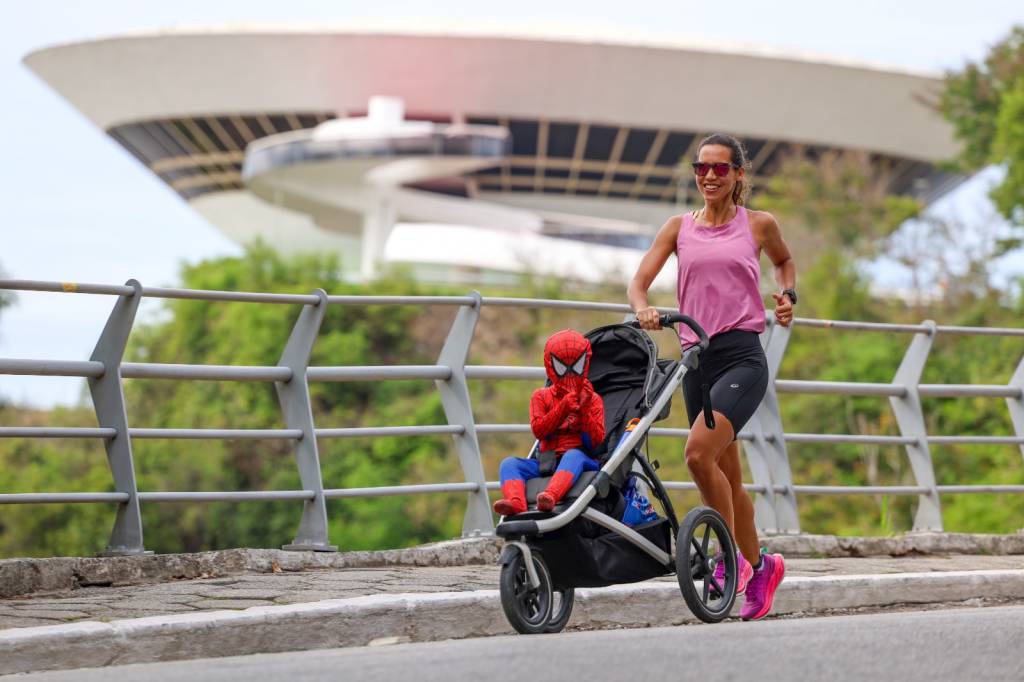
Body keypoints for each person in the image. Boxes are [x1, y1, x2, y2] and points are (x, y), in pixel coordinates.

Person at [627, 133, 795, 621]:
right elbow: (639, 283)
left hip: (742, 357)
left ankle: (728, 557)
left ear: (739, 174)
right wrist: (643, 309)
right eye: (701, 168)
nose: (709, 176)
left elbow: (784, 262)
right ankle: (761, 567)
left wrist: (788, 296)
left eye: (720, 168)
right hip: (695, 360)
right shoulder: (678, 228)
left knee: (698, 455)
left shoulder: (759, 224)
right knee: (728, 480)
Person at [493, 329, 606, 515]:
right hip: (547, 461)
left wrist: (584, 410)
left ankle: (550, 496)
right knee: (509, 464)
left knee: (573, 456)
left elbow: (595, 442)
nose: (569, 374)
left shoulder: (593, 399)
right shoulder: (540, 396)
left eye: (576, 366)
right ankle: (516, 502)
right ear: (551, 365)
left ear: (584, 363)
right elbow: (539, 431)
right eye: (562, 367)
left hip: (582, 460)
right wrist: (563, 408)